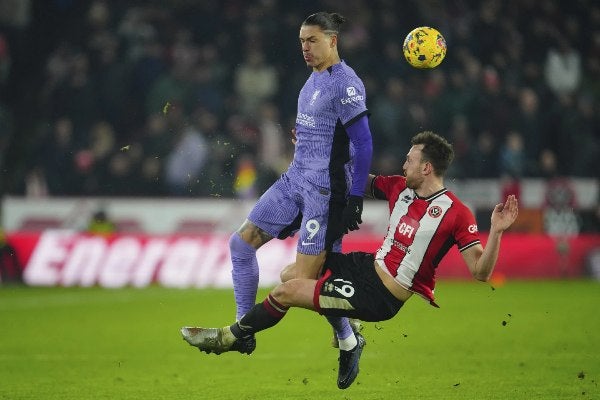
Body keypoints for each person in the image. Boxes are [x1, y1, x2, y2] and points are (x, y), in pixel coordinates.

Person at [181, 131, 519, 389]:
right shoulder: (398, 187)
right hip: (366, 267)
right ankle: (348, 338)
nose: (403, 165)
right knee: (291, 274)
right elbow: (347, 177)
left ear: (427, 167)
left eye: (410, 160)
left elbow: (480, 272)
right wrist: (316, 150)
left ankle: (229, 337)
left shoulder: (456, 213)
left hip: (383, 295)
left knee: (287, 292)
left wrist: (498, 232)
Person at [225, 11, 373, 362]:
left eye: (312, 41)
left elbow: (364, 144)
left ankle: (348, 337)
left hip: (325, 190)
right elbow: (323, 129)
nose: (305, 48)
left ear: (332, 40)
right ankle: (243, 325)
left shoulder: (345, 84)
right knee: (240, 244)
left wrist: (354, 199)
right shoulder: (312, 79)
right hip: (295, 178)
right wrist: (304, 138)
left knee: (302, 280)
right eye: (302, 41)